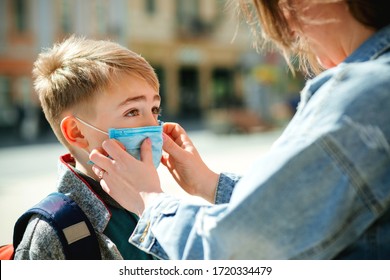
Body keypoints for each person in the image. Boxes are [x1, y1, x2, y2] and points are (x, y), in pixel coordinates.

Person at [90, 0, 390, 259]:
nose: (289, 30)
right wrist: (209, 183)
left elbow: (236, 252)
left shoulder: (364, 93)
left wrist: (148, 199)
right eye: (131, 111)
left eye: (279, 9)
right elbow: (302, 210)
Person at [14, 35, 162, 260]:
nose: (153, 126)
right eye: (132, 111)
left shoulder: (150, 200)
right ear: (77, 132)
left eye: (154, 109)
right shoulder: (53, 231)